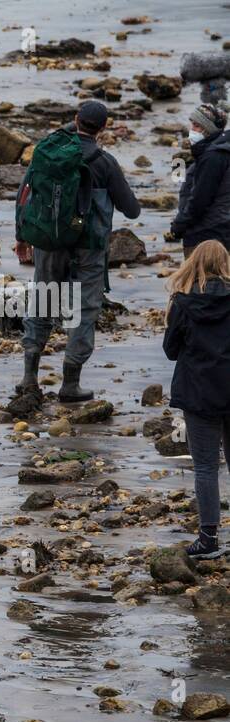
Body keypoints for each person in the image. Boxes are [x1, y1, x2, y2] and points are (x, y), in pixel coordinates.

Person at [18, 100, 141, 402]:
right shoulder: (105, 162)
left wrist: (22, 236)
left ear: (75, 120)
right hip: (89, 247)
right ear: (104, 128)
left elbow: (24, 195)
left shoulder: (48, 154)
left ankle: (29, 379)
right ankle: (70, 384)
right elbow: (132, 210)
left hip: (48, 242)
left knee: (43, 302)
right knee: (83, 312)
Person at [162, 239, 230, 559]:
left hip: (199, 393)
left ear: (194, 263)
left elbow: (171, 350)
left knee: (205, 467)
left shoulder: (182, 302)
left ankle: (208, 539)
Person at [172, 105, 230, 258]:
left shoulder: (213, 156)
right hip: (219, 230)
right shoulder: (216, 152)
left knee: (203, 280)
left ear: (208, 129)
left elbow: (200, 199)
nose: (192, 130)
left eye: (197, 126)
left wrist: (179, 225)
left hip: (207, 234)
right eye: (192, 124)